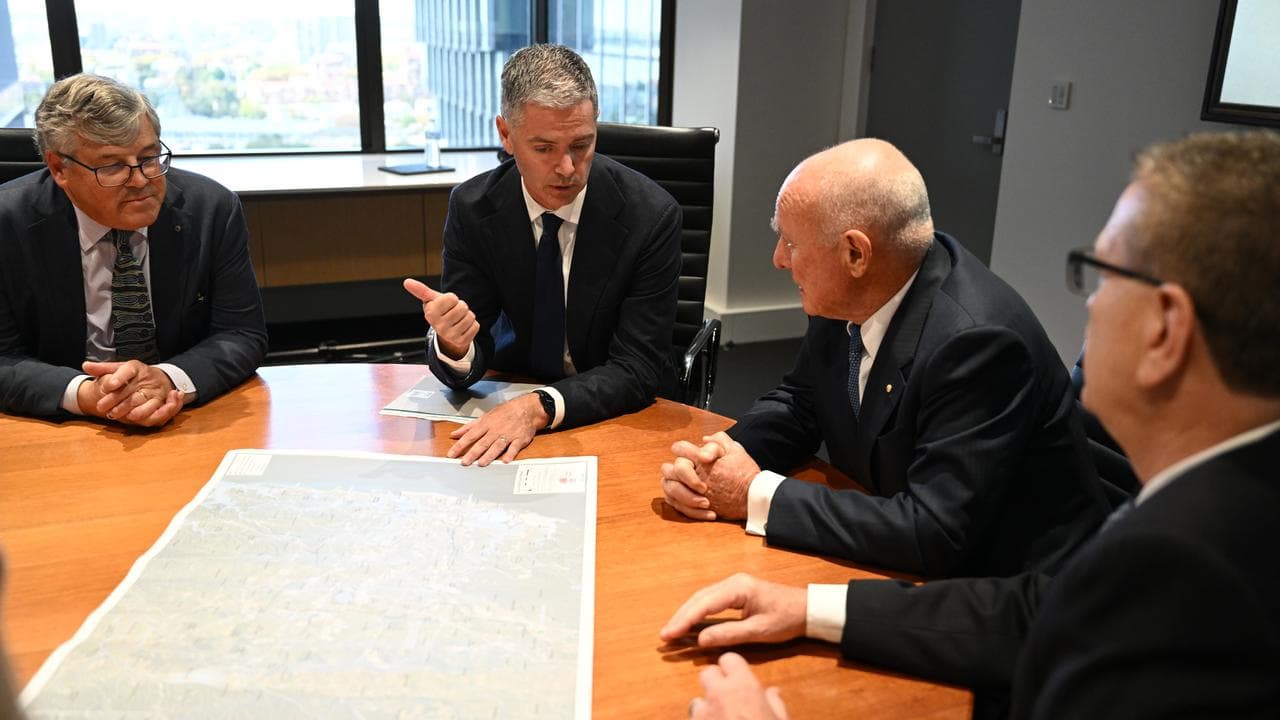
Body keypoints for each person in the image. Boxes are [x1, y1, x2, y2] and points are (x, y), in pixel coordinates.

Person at [662, 130, 1280, 718]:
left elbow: (987, 572)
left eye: (1101, 272)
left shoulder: (1196, 567)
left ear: (1166, 327)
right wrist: (807, 606)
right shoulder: (1201, 513)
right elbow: (1033, 612)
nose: (1087, 304)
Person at [661, 138, 1108, 579]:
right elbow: (801, 400)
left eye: (791, 244)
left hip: (1019, 597)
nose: (778, 260)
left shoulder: (977, 344)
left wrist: (753, 493)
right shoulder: (854, 288)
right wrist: (728, 454)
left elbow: (934, 532)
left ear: (856, 253)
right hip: (905, 546)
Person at [403, 44, 680, 467]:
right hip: (511, 396)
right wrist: (454, 346)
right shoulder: (474, 209)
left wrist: (536, 408)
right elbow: (471, 344)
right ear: (506, 135)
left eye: (581, 144)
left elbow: (638, 368)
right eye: (545, 148)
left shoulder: (650, 216)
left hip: (613, 413)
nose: (568, 168)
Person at [0, 74, 267, 427]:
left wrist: (170, 378)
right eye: (112, 166)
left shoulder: (211, 209)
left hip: (182, 419)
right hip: (64, 426)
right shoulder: (8, 225)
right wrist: (85, 394)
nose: (141, 180)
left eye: (149, 156)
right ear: (59, 169)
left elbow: (241, 334)